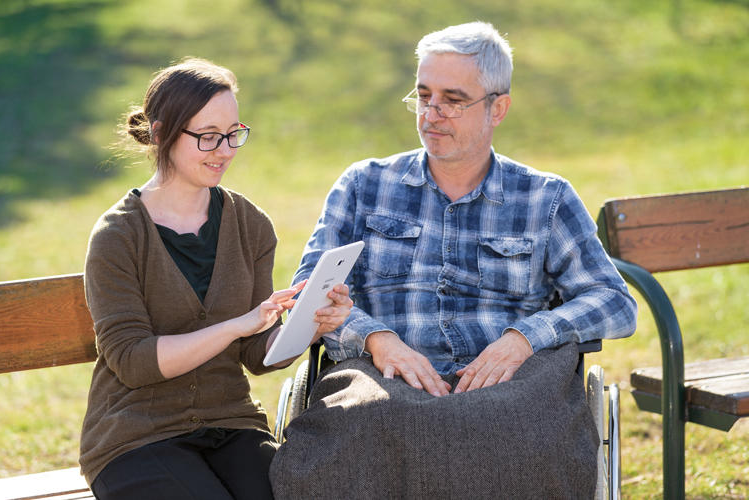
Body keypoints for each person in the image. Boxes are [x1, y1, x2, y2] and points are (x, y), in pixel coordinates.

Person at [270, 22, 637, 499]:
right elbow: (309, 296)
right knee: (371, 417)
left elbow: (613, 302)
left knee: (512, 430)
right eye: (423, 96)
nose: (431, 113)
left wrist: (524, 338)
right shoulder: (363, 186)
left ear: (497, 108)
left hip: (507, 383)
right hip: (381, 376)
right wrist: (376, 338)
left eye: (453, 99)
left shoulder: (546, 198)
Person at [78, 58, 352, 500]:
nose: (224, 150)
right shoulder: (118, 236)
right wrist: (236, 325)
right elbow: (132, 362)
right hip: (135, 434)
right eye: (207, 137)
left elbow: (256, 356)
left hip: (233, 422)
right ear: (163, 132)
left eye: (233, 134)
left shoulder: (250, 225)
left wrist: (310, 326)